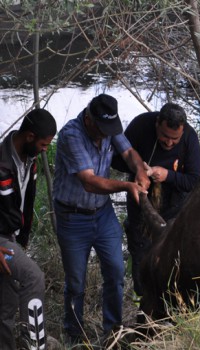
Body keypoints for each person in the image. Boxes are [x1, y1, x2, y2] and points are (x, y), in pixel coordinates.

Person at [52, 93, 150, 344]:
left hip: (103, 213)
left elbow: (128, 152)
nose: (107, 134)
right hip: (72, 217)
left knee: (116, 272)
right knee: (76, 282)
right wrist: (128, 186)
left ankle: (113, 332)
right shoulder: (70, 135)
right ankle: (74, 336)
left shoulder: (108, 126)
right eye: (102, 129)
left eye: (110, 129)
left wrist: (139, 169)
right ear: (89, 119)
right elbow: (90, 182)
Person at [112, 102, 200, 298]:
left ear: (182, 130)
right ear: (157, 123)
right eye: (165, 136)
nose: (169, 143)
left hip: (175, 206)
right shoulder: (141, 125)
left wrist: (168, 175)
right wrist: (139, 169)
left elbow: (195, 180)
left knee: (173, 255)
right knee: (141, 252)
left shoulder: (190, 137)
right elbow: (115, 158)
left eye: (174, 139)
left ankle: (172, 300)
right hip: (141, 201)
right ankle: (143, 300)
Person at [0, 109, 58, 350]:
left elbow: (27, 204)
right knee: (33, 277)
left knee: (6, 303)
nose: (46, 149)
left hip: (11, 238)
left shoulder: (29, 161)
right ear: (30, 136)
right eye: (44, 144)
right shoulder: (1, 162)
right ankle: (35, 345)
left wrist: (23, 239)